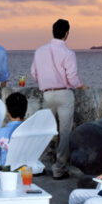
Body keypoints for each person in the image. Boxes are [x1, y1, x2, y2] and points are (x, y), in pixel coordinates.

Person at [30, 19, 86, 180]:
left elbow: (34, 72)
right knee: (65, 132)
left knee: (45, 129)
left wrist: (44, 83)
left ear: (53, 31)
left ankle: (37, 163)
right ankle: (59, 168)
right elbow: (73, 78)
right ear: (67, 33)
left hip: (47, 94)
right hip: (64, 94)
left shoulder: (40, 51)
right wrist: (79, 85)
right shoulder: (68, 53)